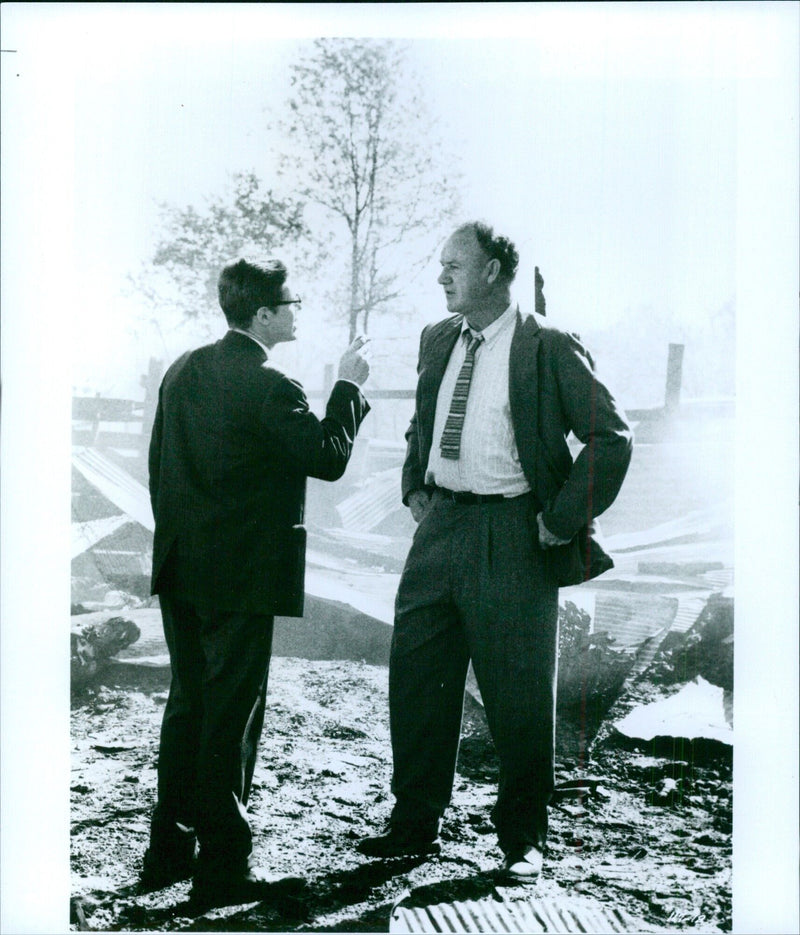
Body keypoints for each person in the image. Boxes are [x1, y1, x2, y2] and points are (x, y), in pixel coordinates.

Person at [357, 222, 632, 882]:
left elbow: (611, 438)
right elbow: (424, 418)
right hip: (440, 528)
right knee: (418, 675)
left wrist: (563, 519)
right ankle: (413, 823)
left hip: (515, 534)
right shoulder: (437, 338)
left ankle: (522, 841)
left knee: (517, 690)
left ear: (490, 272)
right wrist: (414, 483)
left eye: (454, 265)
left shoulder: (546, 346)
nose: (441, 276)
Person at [142, 257, 370, 910]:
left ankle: (167, 849)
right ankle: (222, 866)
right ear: (264, 314)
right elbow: (327, 458)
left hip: (182, 568)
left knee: (188, 705)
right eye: (291, 302)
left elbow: (160, 466)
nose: (298, 310)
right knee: (230, 718)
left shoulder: (183, 370)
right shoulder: (272, 385)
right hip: (239, 580)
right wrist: (348, 388)